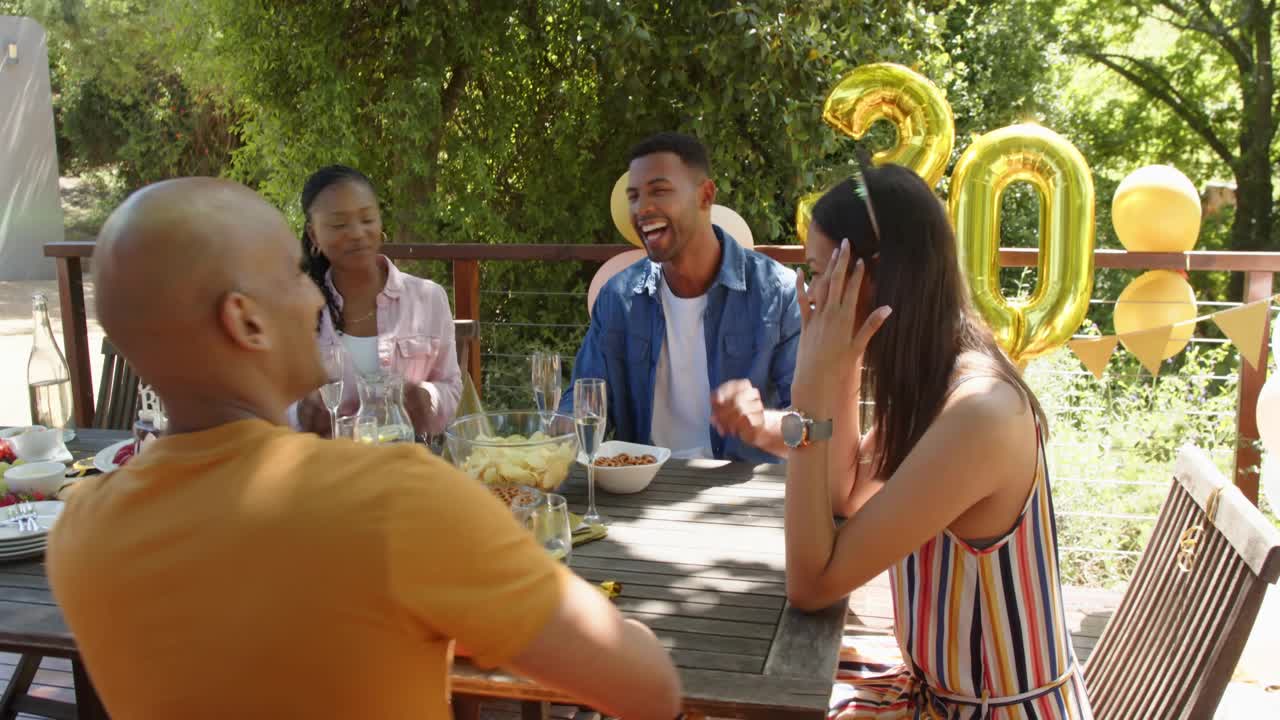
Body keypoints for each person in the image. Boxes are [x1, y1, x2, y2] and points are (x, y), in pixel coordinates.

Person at [45, 178, 683, 720]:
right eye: (293, 273)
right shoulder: (393, 498)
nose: (310, 294)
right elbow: (649, 689)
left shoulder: (80, 530)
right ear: (245, 321)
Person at [783, 164, 1092, 718]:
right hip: (933, 695)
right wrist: (843, 365)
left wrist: (807, 396)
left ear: (870, 275)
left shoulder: (978, 411)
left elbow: (812, 585)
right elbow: (845, 494)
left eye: (814, 273)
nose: (807, 298)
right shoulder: (939, 376)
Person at [564, 132, 801, 462]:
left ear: (705, 196)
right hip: (640, 495)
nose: (642, 208)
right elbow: (582, 404)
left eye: (659, 191)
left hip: (741, 501)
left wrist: (763, 425)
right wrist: (542, 441)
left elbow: (816, 428)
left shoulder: (779, 292)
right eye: (634, 196)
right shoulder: (618, 298)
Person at [292, 165, 461, 439]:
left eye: (367, 219)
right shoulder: (296, 309)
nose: (357, 233)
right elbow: (269, 402)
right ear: (313, 235)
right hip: (328, 470)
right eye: (339, 224)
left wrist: (428, 398)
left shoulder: (429, 298)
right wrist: (301, 412)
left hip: (409, 464)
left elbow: (451, 386)